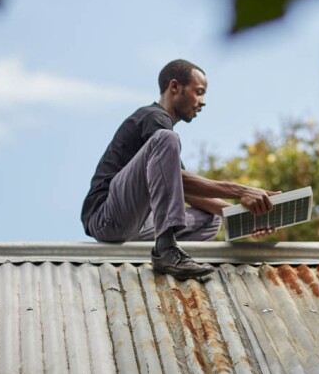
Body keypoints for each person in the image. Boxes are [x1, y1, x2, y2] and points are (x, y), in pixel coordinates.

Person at [82, 60, 279, 280]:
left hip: (139, 227)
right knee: (167, 139)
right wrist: (241, 191)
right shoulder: (153, 119)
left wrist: (246, 217)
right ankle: (166, 250)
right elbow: (182, 180)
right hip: (107, 218)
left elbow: (187, 191)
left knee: (211, 217)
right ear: (175, 87)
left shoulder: (162, 147)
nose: (202, 102)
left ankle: (175, 257)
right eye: (199, 92)